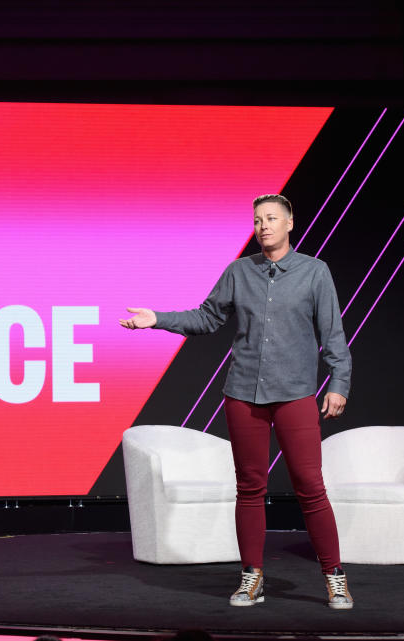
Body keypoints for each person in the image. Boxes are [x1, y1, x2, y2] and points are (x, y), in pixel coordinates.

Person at [119, 194, 353, 609]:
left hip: (295, 393)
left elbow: (332, 334)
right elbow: (207, 317)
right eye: (258, 219)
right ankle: (251, 577)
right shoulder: (238, 272)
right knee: (249, 488)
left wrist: (339, 381)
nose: (263, 225)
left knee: (310, 486)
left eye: (272, 218)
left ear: (290, 223)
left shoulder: (315, 273)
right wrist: (158, 319)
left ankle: (335, 576)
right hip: (243, 393)